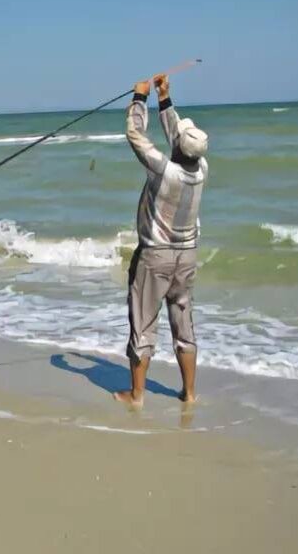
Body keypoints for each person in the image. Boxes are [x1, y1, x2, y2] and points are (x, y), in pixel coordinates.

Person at [116, 74, 208, 407]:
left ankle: (137, 395)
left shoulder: (163, 171)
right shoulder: (201, 170)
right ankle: (190, 393)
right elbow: (177, 138)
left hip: (155, 256)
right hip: (187, 256)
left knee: (143, 322)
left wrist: (139, 99)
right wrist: (165, 97)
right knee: (183, 322)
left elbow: (135, 136)